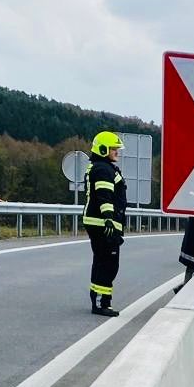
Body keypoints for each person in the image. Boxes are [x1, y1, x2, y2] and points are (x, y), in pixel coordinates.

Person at [83, 131, 127, 315]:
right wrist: (108, 218)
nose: (117, 151)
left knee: (101, 261)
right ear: (102, 149)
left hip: (99, 222)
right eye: (113, 148)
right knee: (108, 263)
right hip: (103, 223)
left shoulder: (102, 167)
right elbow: (104, 195)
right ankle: (102, 303)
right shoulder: (103, 169)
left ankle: (99, 299)